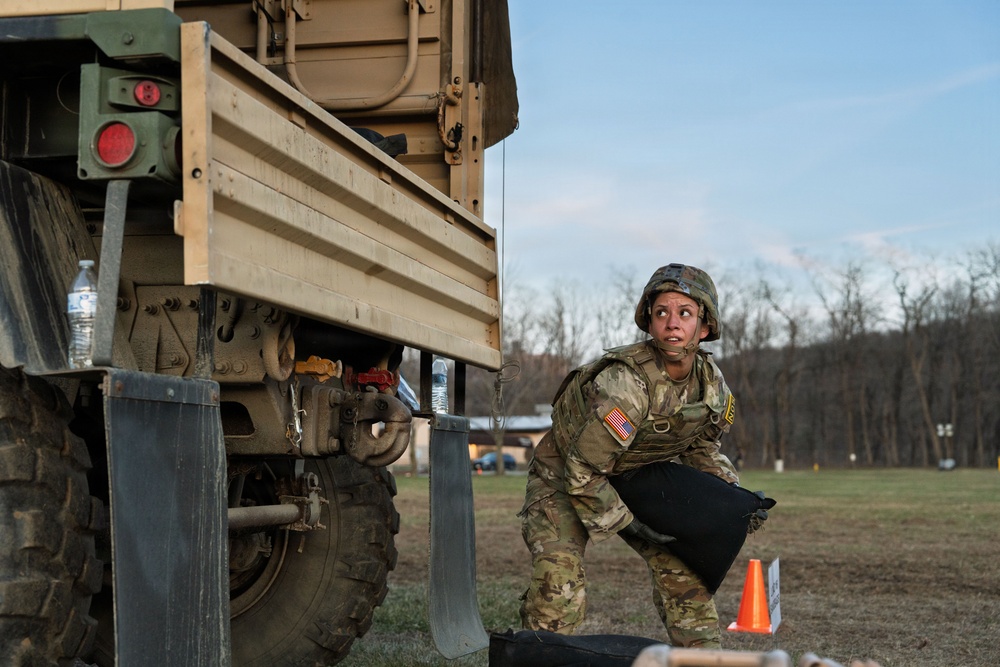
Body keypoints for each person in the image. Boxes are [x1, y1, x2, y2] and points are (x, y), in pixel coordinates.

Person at [518, 263, 738, 648]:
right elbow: (583, 469)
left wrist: (733, 498)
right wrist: (629, 523)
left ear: (704, 327)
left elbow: (701, 448)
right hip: (562, 479)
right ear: (649, 322)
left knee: (685, 578)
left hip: (632, 477)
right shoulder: (627, 383)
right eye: (661, 312)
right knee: (559, 588)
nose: (672, 323)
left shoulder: (711, 386)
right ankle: (534, 654)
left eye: (685, 313)